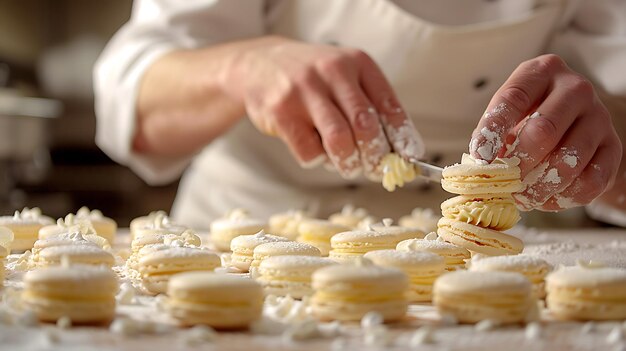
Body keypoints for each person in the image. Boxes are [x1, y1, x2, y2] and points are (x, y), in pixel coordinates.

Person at [94, 0, 625, 229]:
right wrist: (240, 67)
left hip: (477, 263)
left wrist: (599, 152)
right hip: (246, 229)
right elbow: (131, 101)